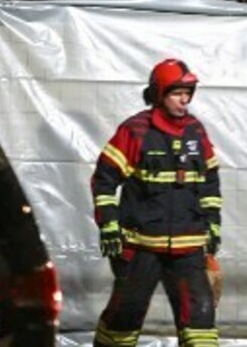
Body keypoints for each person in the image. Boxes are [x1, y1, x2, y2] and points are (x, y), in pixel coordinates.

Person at [91, 58, 222, 347]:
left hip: (188, 246)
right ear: (159, 94)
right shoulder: (136, 130)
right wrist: (109, 224)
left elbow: (210, 180)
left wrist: (213, 223)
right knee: (125, 316)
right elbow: (104, 179)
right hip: (141, 247)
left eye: (188, 93)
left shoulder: (196, 131)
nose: (184, 100)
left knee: (201, 320)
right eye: (177, 93)